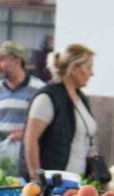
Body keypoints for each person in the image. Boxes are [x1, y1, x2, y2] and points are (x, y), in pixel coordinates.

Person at [22, 43, 96, 178]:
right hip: (54, 183)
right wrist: (37, 179)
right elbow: (30, 139)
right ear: (74, 68)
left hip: (77, 182)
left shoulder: (81, 99)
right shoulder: (47, 98)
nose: (92, 73)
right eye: (89, 67)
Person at [0, 41, 43, 148]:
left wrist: (26, 134)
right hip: (3, 152)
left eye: (1, 60)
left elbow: (49, 123)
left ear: (17, 61)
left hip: (28, 152)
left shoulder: (38, 89)